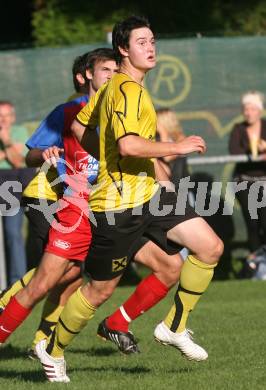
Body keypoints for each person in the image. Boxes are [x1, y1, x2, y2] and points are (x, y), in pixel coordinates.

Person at [31, 16, 223, 383]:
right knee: (99, 289)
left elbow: (79, 126)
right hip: (117, 206)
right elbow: (128, 144)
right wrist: (176, 146)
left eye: (153, 40)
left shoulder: (120, 87)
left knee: (209, 247)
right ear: (123, 49)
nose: (150, 47)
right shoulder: (126, 90)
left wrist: (106, 155)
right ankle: (52, 349)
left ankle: (173, 327)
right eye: (141, 42)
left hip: (147, 194)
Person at [0, 48, 118, 362]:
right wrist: (49, 152)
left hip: (88, 204)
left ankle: (41, 342)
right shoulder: (67, 111)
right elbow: (31, 155)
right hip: (51, 196)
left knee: (71, 274)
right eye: (105, 69)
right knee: (52, 275)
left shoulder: (119, 112)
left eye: (114, 70)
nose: (111, 75)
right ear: (86, 77)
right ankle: (7, 308)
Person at [0, 101, 34, 284]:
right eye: (0, 116)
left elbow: (18, 161)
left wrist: (6, 141)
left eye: (7, 116)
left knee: (13, 232)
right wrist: (11, 150)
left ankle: (17, 282)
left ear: (13, 117)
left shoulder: (19, 132)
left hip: (11, 187)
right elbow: (14, 155)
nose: (3, 120)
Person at [229, 91, 266, 252]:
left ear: (260, 110)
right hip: (244, 181)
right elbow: (234, 150)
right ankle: (255, 261)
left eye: (252, 108)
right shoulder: (238, 128)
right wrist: (252, 151)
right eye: (245, 109)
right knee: (252, 222)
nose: (248, 112)